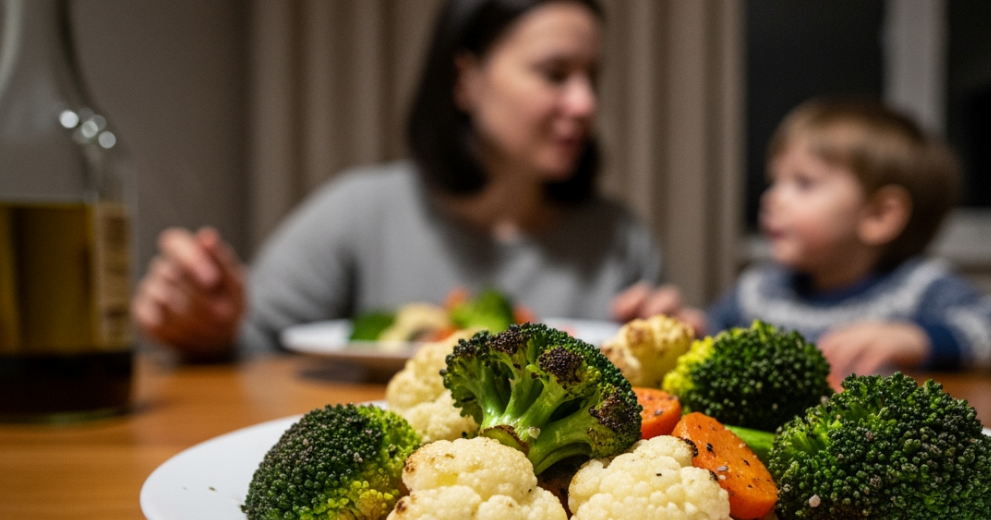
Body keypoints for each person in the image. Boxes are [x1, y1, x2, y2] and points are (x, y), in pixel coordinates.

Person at [133, 0, 689, 361]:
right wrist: (208, 325)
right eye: (555, 74)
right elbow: (253, 343)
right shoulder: (357, 211)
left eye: (592, 78)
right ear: (467, 80)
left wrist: (676, 344)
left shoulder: (620, 237)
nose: (585, 104)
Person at [708, 97, 991, 383]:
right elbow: (710, 339)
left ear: (879, 216)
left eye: (804, 183)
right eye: (775, 181)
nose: (772, 198)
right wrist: (688, 324)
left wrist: (917, 338)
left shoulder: (919, 288)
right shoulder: (759, 290)